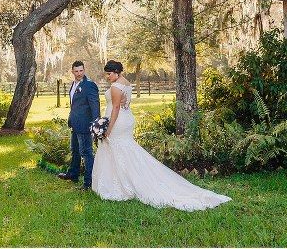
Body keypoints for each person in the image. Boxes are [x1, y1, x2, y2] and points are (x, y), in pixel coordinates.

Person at [91, 60, 231, 211]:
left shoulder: (116, 86)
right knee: (125, 151)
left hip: (117, 122)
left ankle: (120, 186)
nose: (107, 76)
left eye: (109, 73)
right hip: (127, 119)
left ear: (117, 72)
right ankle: (124, 181)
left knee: (117, 150)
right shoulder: (126, 83)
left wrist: (108, 129)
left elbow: (116, 108)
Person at [58, 60, 100, 191]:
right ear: (72, 71)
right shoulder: (73, 84)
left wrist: (95, 124)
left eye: (81, 70)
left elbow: (95, 106)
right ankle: (73, 174)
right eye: (76, 71)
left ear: (84, 70)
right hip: (75, 123)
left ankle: (88, 183)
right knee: (74, 150)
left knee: (86, 153)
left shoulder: (89, 85)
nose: (79, 73)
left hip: (85, 125)